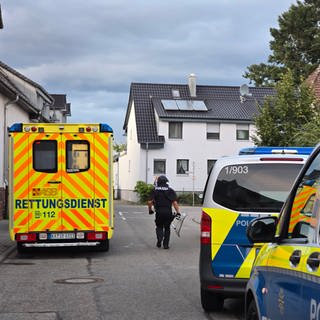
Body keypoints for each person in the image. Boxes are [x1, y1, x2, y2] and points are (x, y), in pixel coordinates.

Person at [147, 175, 181, 249]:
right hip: (168, 212)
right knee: (167, 228)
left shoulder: (154, 190)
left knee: (159, 226)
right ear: (166, 182)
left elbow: (149, 202)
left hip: (159, 212)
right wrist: (178, 212)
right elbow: (175, 203)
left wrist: (150, 209)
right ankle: (166, 244)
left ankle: (159, 239)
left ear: (158, 182)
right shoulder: (170, 190)